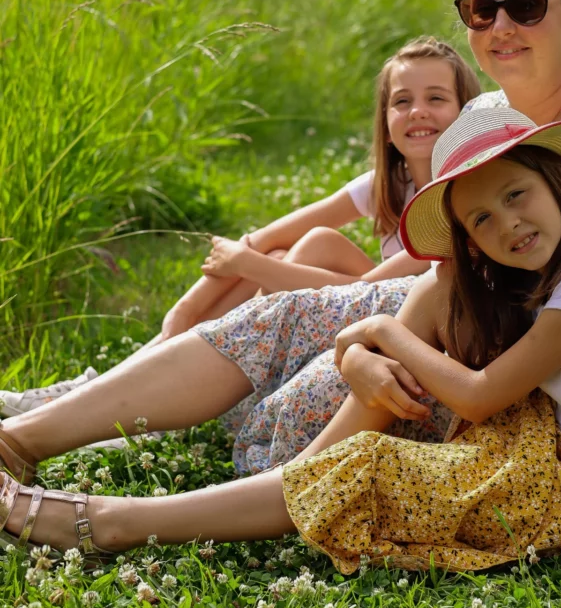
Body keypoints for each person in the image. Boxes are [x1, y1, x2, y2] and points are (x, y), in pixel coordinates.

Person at [0, 0, 561, 526]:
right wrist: (359, 339)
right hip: (451, 330)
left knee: (273, 433)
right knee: (285, 321)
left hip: (538, 399)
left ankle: (76, 433)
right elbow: (442, 273)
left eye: (525, 6)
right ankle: (26, 435)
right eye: (480, 9)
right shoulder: (482, 115)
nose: (499, 26)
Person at [0, 109, 561, 571]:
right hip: (542, 442)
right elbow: (441, 307)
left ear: (557, 180)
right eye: (481, 220)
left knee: (359, 470)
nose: (507, 225)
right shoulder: (553, 264)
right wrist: (363, 353)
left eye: (517, 196)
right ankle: (281, 480)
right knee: (423, 318)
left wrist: (375, 332)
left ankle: (108, 523)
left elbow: (484, 398)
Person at [0, 37, 479, 415]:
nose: (417, 111)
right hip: (355, 315)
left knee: (292, 254)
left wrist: (251, 263)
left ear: (464, 110)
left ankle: (147, 391)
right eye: (402, 100)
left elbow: (360, 290)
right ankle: (112, 382)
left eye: (436, 98)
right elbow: (263, 237)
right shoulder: (387, 182)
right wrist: (185, 311)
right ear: (385, 117)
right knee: (297, 248)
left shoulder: (456, 198)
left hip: (403, 341)